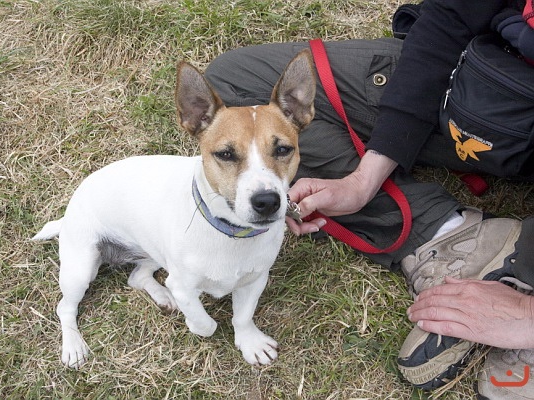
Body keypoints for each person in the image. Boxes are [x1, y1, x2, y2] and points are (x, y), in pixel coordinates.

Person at [203, 0, 534, 398]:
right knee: (236, 83)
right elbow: (451, 17)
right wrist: (363, 180)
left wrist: (527, 318)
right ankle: (450, 233)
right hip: (492, 73)